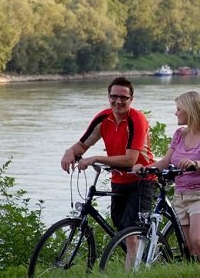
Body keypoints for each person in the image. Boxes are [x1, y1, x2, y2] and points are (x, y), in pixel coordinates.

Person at [60, 76, 156, 269]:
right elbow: (82, 145)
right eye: (114, 96)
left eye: (123, 97)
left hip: (142, 180)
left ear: (131, 99)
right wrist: (69, 152)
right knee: (120, 227)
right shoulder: (104, 118)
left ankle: (132, 272)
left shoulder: (136, 119)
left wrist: (96, 159)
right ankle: (138, 261)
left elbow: (130, 159)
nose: (118, 101)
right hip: (119, 180)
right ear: (108, 96)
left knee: (130, 232)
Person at [133, 90, 200, 265]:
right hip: (180, 196)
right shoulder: (179, 134)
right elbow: (166, 161)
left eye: (179, 108)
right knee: (189, 248)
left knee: (198, 240)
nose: (176, 112)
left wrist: (195, 164)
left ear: (191, 110)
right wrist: (145, 169)